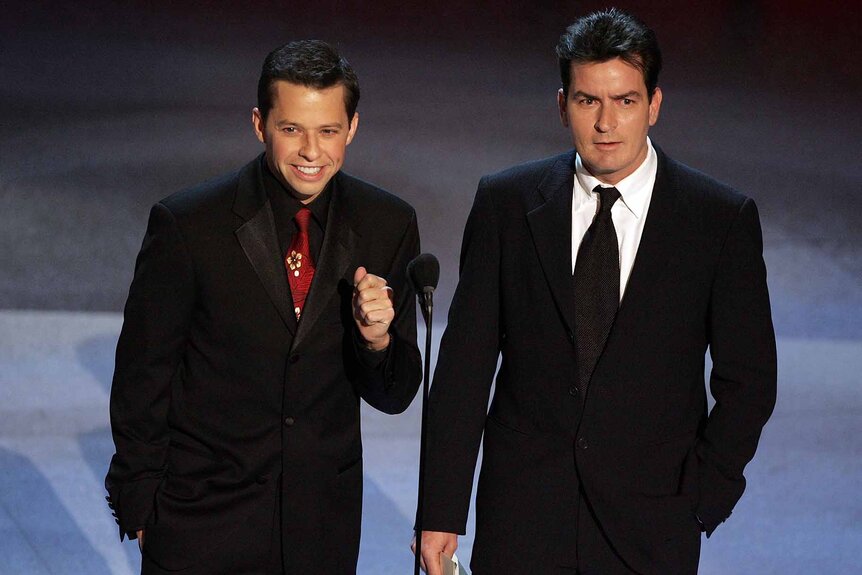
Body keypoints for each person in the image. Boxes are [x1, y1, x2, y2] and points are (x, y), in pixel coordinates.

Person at [416, 9, 776, 575]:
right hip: (522, 519)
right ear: (562, 105)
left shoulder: (718, 220)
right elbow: (465, 366)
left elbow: (749, 380)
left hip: (653, 524)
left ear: (654, 105)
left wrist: (704, 499)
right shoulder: (507, 204)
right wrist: (440, 511)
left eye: (625, 101)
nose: (607, 123)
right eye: (588, 101)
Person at [105, 40, 422, 574]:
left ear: (352, 128)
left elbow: (394, 395)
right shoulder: (189, 225)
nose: (311, 152)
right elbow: (142, 374)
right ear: (259, 124)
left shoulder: (386, 224)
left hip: (320, 530)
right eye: (291, 129)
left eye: (328, 131)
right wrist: (143, 507)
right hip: (199, 523)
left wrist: (377, 342)